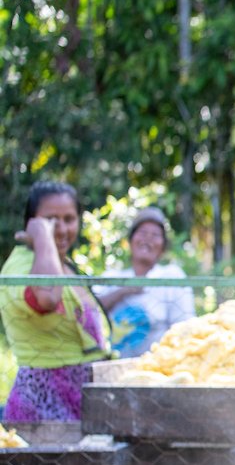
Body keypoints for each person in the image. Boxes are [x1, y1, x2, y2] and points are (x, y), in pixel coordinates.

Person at [0, 180, 113, 422]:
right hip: (43, 406)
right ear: (32, 223)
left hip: (82, 401)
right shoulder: (20, 266)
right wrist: (43, 237)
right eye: (51, 220)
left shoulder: (67, 267)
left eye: (69, 219)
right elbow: (48, 298)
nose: (61, 229)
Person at [96, 206, 196, 357]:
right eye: (142, 232)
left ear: (163, 247)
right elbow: (91, 311)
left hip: (157, 368)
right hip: (114, 367)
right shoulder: (112, 277)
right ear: (130, 241)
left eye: (155, 235)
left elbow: (185, 328)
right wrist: (124, 290)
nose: (147, 238)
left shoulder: (170, 276)